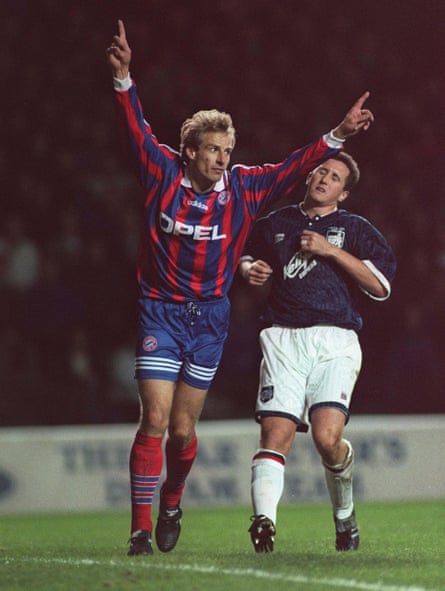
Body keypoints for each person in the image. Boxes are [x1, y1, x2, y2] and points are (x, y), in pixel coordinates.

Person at [105, 19, 375, 556]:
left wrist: (339, 133)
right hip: (159, 310)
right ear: (188, 152)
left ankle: (173, 502)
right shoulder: (159, 172)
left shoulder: (245, 188)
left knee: (182, 432)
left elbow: (298, 162)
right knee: (154, 419)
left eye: (227, 150)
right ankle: (139, 530)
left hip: (209, 317)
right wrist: (123, 80)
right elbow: (134, 129)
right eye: (212, 150)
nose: (222, 158)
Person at [238, 151, 396, 553]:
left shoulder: (354, 228)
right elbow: (243, 253)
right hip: (282, 337)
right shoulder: (275, 222)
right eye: (322, 171)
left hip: (335, 339)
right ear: (309, 176)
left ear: (343, 194)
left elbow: (380, 286)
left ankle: (344, 516)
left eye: (336, 177)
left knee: (327, 439)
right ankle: (264, 524)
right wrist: (247, 268)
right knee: (276, 432)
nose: (326, 178)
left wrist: (331, 251)